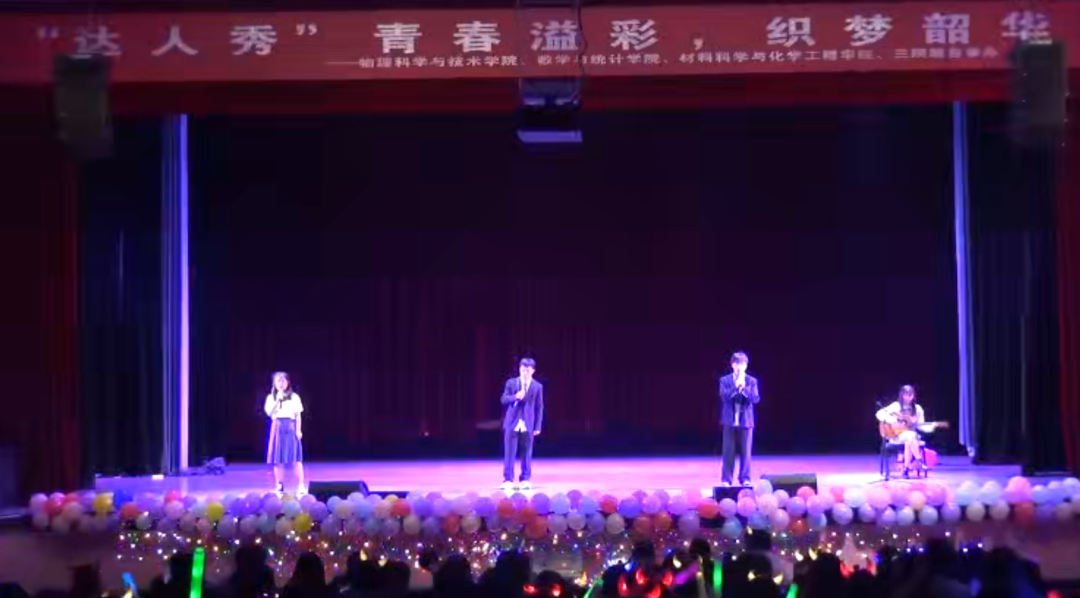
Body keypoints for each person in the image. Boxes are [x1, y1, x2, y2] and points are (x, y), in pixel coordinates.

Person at [500, 357, 544, 491]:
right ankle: (508, 479)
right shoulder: (511, 383)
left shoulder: (537, 386)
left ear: (533, 371)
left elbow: (539, 407)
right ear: (519, 369)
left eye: (528, 370)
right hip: (512, 422)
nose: (525, 373)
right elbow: (503, 399)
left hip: (528, 423)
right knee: (509, 452)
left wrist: (537, 426)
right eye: (523, 370)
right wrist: (515, 396)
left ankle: (525, 479)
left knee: (527, 453)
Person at [718, 351, 760, 486]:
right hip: (729, 421)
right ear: (732, 365)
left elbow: (755, 399)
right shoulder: (724, 380)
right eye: (736, 363)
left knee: (746, 453)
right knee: (728, 452)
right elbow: (724, 397)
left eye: (742, 364)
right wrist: (735, 387)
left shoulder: (752, 381)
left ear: (746, 366)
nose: (739, 366)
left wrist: (745, 389)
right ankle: (726, 480)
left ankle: (745, 478)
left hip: (746, 421)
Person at [876, 384, 936, 476]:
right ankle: (919, 460)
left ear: (913, 396)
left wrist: (929, 428)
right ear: (901, 395)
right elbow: (879, 414)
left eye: (910, 395)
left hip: (910, 438)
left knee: (909, 439)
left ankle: (906, 469)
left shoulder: (918, 409)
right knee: (911, 436)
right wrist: (892, 420)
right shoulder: (896, 406)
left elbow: (920, 425)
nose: (908, 397)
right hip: (896, 436)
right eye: (905, 395)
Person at [264, 371, 305, 493]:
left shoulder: (294, 397)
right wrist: (277, 400)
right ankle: (279, 485)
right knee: (278, 459)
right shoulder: (271, 397)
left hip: (290, 427)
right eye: (278, 381)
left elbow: (298, 415)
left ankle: (301, 485)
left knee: (296, 459)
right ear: (274, 383)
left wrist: (298, 430)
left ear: (288, 382)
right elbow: (269, 413)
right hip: (277, 427)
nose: (281, 383)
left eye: (283, 381)